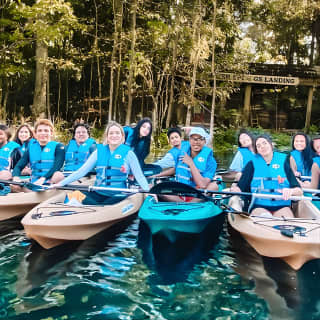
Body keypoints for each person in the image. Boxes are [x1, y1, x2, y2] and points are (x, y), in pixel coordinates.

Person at [53, 121, 149, 205]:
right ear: (107, 137)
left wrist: (148, 191)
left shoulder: (129, 154)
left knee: (107, 203)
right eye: (111, 133)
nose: (114, 136)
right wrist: (61, 184)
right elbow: (81, 172)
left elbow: (139, 176)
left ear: (122, 137)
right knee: (75, 195)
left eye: (117, 133)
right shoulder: (98, 152)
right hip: (99, 192)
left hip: (118, 194)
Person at [231, 134, 302, 218]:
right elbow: (240, 188)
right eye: (258, 146)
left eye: (265, 143)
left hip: (282, 206)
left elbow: (299, 191)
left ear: (271, 145)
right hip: (259, 206)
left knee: (287, 221)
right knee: (265, 217)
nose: (262, 147)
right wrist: (234, 189)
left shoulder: (283, 162)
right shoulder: (251, 164)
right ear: (256, 149)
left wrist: (291, 191)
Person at [160, 127, 218, 202]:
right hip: (179, 192)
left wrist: (191, 163)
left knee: (214, 186)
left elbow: (203, 185)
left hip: (197, 194)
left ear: (204, 141)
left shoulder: (211, 161)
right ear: (189, 140)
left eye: (200, 139)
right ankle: (183, 202)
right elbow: (175, 169)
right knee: (159, 186)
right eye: (193, 139)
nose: (196, 142)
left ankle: (191, 203)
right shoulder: (181, 152)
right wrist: (156, 175)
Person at [12, 119, 65, 186]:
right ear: (35, 133)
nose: (43, 133)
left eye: (46, 131)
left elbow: (57, 166)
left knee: (58, 175)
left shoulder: (59, 147)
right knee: (14, 186)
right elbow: (18, 166)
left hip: (50, 181)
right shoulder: (30, 147)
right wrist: (16, 177)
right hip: (35, 181)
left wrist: (43, 179)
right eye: (40, 131)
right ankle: (33, 190)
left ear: (51, 133)